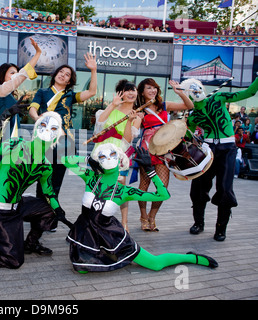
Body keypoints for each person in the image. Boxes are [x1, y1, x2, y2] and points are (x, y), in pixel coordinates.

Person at [62, 144, 218, 273]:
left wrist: (150, 171)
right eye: (102, 157)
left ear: (120, 161)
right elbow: (65, 160)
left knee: (155, 264)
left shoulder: (124, 191)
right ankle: (110, 255)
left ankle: (191, 257)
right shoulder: (90, 177)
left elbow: (163, 195)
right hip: (86, 232)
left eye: (112, 155)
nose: (108, 159)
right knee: (81, 269)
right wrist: (88, 158)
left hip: (111, 235)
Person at [0, 111, 71, 269]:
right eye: (44, 124)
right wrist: (1, 118)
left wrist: (58, 210)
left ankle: (30, 244)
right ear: (36, 128)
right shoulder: (16, 144)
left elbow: (48, 192)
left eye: (54, 128)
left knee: (49, 210)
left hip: (17, 207)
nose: (47, 130)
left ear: (57, 135)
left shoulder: (46, 166)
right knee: (13, 260)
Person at [181, 76, 258, 241]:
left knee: (224, 189)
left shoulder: (219, 97)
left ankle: (221, 228)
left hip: (227, 148)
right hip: (207, 149)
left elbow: (250, 92)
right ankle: (198, 223)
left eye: (197, 87)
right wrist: (181, 129)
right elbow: (188, 136)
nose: (195, 90)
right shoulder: (193, 116)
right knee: (198, 188)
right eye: (190, 90)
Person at [28, 53, 97, 200]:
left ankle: (50, 213)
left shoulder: (70, 96)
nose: (63, 75)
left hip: (64, 142)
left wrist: (93, 70)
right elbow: (32, 108)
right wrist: (36, 117)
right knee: (42, 176)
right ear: (55, 75)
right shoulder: (42, 92)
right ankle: (38, 212)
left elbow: (92, 92)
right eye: (61, 72)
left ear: (69, 81)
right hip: (44, 140)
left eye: (67, 75)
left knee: (57, 180)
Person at [135, 78, 193, 231]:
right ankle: (143, 216)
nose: (152, 90)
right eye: (148, 88)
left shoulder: (164, 105)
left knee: (163, 186)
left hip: (164, 149)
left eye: (154, 87)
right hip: (147, 148)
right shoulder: (139, 108)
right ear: (142, 91)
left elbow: (189, 105)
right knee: (144, 185)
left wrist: (179, 92)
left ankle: (152, 216)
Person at [0, 38, 42, 180]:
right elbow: (21, 77)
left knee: (11, 176)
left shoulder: (9, 94)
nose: (15, 75)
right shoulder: (0, 90)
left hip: (13, 134)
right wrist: (37, 54)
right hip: (3, 135)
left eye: (16, 72)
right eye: (12, 73)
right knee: (2, 175)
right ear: (2, 74)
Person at [91, 79, 143, 231]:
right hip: (101, 153)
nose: (131, 93)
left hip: (120, 155)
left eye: (133, 90)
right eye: (127, 90)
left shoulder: (137, 117)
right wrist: (113, 105)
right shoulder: (109, 108)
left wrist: (130, 121)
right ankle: (95, 219)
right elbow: (99, 125)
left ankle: (124, 223)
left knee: (120, 188)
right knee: (97, 187)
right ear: (120, 93)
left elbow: (127, 140)